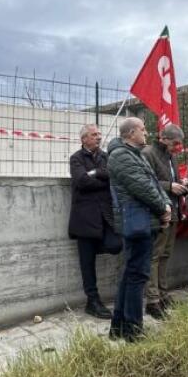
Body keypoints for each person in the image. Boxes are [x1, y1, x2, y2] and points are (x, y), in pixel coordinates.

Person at [107, 117, 171, 341]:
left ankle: (119, 327)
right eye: (143, 129)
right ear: (131, 133)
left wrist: (166, 205)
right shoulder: (121, 155)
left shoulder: (135, 154)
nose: (146, 133)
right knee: (137, 276)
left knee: (131, 274)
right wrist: (162, 207)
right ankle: (133, 330)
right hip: (138, 224)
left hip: (145, 221)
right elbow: (142, 187)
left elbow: (153, 182)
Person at [67, 124, 123, 318]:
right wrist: (102, 179)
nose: (99, 137)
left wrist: (97, 173)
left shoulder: (106, 156)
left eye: (99, 134)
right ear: (84, 139)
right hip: (85, 218)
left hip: (105, 216)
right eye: (94, 135)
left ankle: (97, 245)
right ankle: (93, 301)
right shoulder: (76, 158)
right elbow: (81, 181)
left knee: (116, 244)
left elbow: (113, 175)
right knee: (87, 262)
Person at [143, 124, 188, 319]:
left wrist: (180, 185)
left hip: (174, 211)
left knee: (166, 254)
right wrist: (170, 186)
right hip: (159, 213)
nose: (178, 147)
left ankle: (163, 294)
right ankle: (152, 301)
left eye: (180, 144)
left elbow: (167, 178)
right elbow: (145, 182)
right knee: (155, 256)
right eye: (175, 143)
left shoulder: (170, 156)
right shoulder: (148, 153)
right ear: (164, 138)